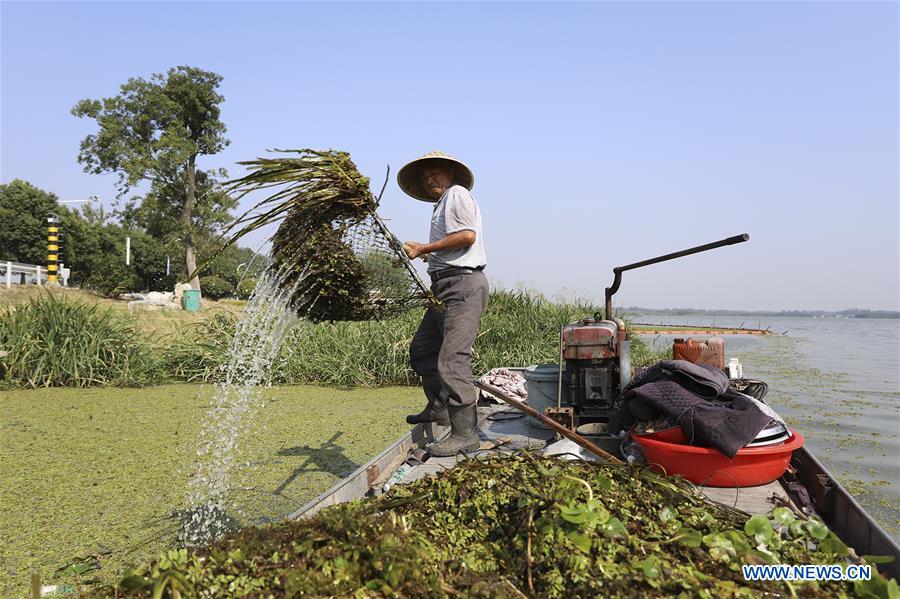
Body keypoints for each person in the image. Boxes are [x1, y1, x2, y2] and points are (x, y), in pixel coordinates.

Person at [397, 150, 488, 457]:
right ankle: (438, 410)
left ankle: (465, 433)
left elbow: (466, 236)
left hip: (463, 285)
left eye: (434, 173)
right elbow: (450, 246)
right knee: (423, 348)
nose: (429, 180)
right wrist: (428, 254)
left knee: (453, 358)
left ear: (450, 174)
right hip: (443, 286)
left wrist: (425, 246)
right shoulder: (440, 205)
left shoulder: (457, 194)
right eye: (424, 177)